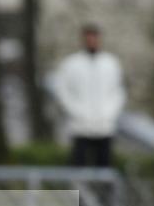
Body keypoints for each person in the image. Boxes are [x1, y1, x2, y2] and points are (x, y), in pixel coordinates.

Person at [47, 23, 125, 167]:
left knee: (104, 167)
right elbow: (62, 91)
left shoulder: (110, 63)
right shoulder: (71, 63)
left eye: (94, 38)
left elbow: (118, 91)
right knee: (79, 166)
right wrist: (76, 112)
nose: (92, 41)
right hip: (80, 127)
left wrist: (109, 113)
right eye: (89, 38)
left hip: (105, 126)